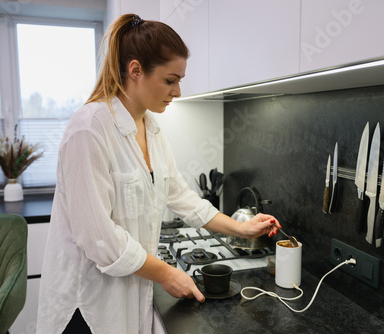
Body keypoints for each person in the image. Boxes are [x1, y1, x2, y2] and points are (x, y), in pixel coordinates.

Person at [36, 13, 281, 334]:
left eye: (180, 80)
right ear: (135, 70)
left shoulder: (151, 128)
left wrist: (241, 229)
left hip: (129, 298)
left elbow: (181, 197)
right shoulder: (89, 128)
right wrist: (166, 273)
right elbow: (98, 238)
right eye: (170, 80)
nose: (178, 91)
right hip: (86, 307)